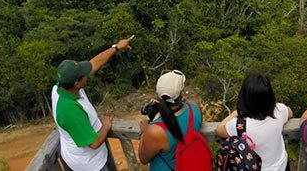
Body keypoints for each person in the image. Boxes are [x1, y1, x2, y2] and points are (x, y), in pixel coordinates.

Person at [51, 36, 135, 171]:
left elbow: (94, 64)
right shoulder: (69, 110)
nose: (88, 74)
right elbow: (94, 143)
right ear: (77, 83)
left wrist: (116, 47)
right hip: (89, 165)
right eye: (84, 75)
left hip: (82, 156)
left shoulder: (59, 87)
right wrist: (106, 126)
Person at [216, 73, 294, 171]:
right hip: (282, 166)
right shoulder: (279, 110)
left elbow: (219, 129)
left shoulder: (238, 125)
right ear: (270, 97)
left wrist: (234, 113)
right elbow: (290, 112)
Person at [138, 70, 204, 170]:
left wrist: (144, 132)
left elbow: (143, 159)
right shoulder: (195, 108)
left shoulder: (155, 131)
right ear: (181, 93)